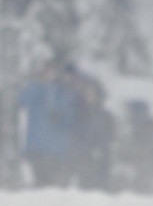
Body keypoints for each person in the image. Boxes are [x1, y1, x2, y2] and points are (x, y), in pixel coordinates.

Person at [18, 59, 77, 187]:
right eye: (45, 71)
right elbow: (22, 101)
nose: (48, 74)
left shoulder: (63, 91)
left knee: (55, 187)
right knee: (39, 184)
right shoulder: (34, 89)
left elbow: (70, 119)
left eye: (51, 71)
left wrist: (60, 117)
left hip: (57, 149)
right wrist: (37, 85)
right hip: (36, 147)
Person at [72, 73, 116, 191]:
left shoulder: (106, 116)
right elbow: (75, 135)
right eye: (88, 94)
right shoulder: (79, 115)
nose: (90, 97)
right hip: (84, 158)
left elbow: (112, 136)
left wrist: (102, 148)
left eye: (93, 94)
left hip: (102, 159)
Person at [114, 100, 153, 193]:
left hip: (138, 177)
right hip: (142, 176)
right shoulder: (147, 129)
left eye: (129, 111)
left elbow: (122, 151)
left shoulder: (132, 129)